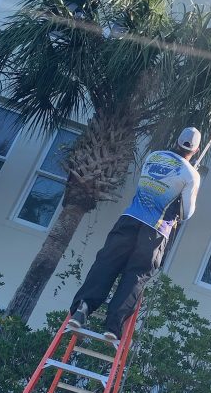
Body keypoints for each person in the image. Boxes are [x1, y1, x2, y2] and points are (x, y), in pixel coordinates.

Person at [69, 127, 202, 341]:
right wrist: (190, 182)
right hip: (154, 231)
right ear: (196, 150)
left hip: (129, 219)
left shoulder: (153, 156)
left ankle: (82, 307)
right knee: (137, 274)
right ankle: (113, 325)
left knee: (106, 263)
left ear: (176, 140)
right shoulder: (191, 175)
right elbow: (186, 213)